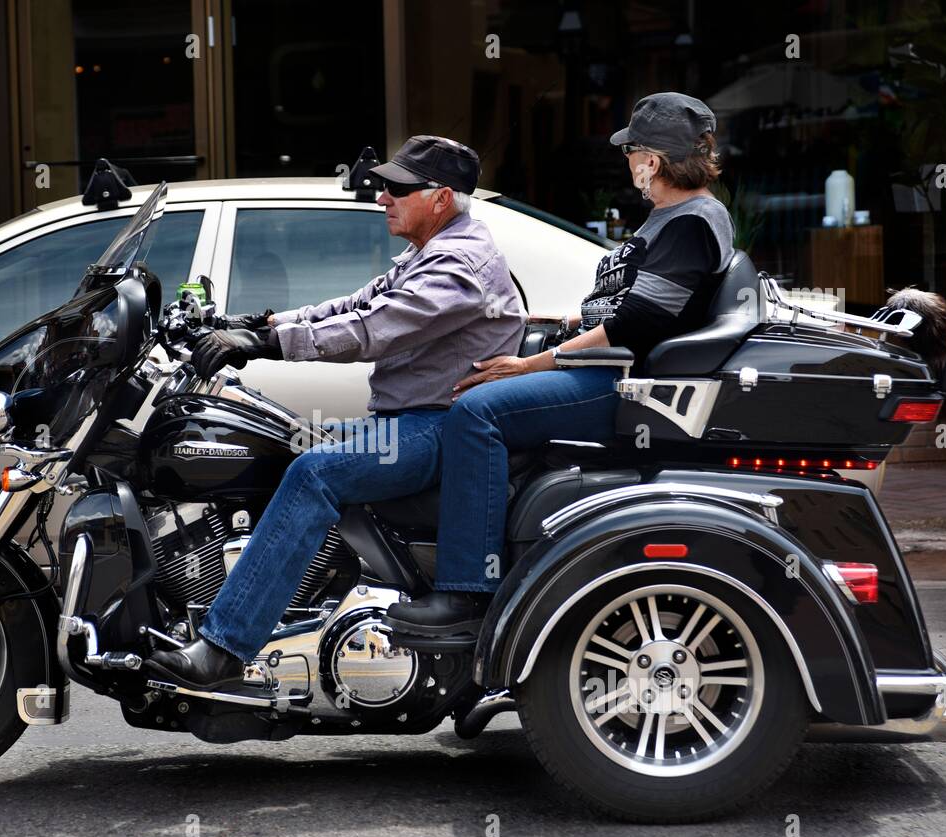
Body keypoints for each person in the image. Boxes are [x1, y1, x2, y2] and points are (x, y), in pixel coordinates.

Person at [146, 135, 527, 689]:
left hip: (435, 428)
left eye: (398, 188)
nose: (382, 198)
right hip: (406, 421)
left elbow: (372, 329)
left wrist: (263, 348)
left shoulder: (461, 263)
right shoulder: (434, 249)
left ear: (442, 198)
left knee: (313, 471)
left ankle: (224, 646)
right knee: (281, 441)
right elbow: (354, 304)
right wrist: (263, 323)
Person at [387, 92, 735, 637]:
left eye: (632, 152)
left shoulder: (691, 221)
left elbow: (639, 323)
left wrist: (534, 365)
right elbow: (622, 310)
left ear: (654, 160)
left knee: (477, 413)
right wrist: (557, 327)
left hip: (621, 382)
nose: (625, 161)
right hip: (608, 368)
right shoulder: (672, 217)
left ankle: (464, 592)